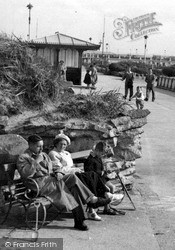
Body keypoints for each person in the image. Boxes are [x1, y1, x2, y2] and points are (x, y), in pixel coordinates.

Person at [17, 134, 111, 231]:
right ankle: (86, 209)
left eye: (42, 146)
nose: (41, 149)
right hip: (39, 185)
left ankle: (88, 205)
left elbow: (54, 166)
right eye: (38, 146)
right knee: (72, 189)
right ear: (30, 145)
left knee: (72, 178)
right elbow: (25, 174)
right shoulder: (23, 157)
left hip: (51, 180)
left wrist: (59, 172)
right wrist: (36, 162)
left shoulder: (43, 155)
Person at [48, 134, 119, 219]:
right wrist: (74, 169)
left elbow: (69, 166)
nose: (63, 146)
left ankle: (104, 195)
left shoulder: (67, 153)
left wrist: (74, 169)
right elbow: (59, 169)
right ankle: (95, 206)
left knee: (92, 176)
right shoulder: (53, 153)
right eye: (61, 144)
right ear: (56, 143)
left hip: (73, 173)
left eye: (65, 144)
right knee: (91, 177)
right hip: (66, 177)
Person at [84, 141, 124, 215]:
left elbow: (101, 168)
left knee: (112, 187)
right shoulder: (90, 160)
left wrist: (105, 172)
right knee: (108, 189)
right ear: (97, 151)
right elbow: (89, 173)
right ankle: (105, 206)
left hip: (102, 178)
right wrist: (100, 173)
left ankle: (107, 208)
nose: (102, 155)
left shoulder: (98, 157)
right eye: (101, 153)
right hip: (95, 180)